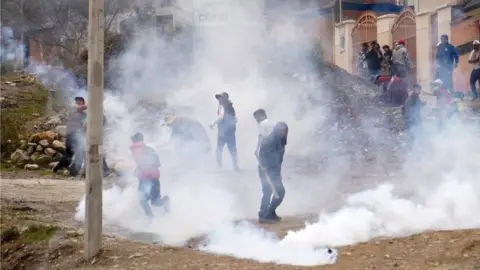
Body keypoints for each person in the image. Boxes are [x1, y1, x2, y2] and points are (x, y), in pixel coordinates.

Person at [130, 132, 169, 218]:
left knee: (143, 201)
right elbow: (157, 163)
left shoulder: (137, 149)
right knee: (154, 201)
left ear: (135, 141)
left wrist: (141, 170)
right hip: (153, 177)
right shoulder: (148, 149)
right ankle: (165, 202)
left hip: (146, 178)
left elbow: (143, 163)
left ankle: (151, 219)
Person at [257, 122, 288, 223]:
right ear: (276, 130)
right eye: (280, 131)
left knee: (278, 192)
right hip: (266, 170)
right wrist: (264, 166)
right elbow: (261, 153)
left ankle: (270, 213)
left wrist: (278, 174)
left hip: (274, 171)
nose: (282, 133)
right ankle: (264, 215)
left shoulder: (281, 142)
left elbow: (278, 160)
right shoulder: (270, 139)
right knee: (268, 192)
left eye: (284, 131)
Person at [53, 97, 87, 176]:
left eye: (80, 102)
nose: (77, 104)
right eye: (77, 102)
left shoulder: (84, 115)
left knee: (75, 153)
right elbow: (83, 107)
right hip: (72, 134)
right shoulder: (73, 109)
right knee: (72, 153)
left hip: (78, 135)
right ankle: (64, 167)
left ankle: (65, 168)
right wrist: (95, 102)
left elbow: (85, 126)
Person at [209, 92, 239, 171]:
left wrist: (212, 124)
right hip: (230, 132)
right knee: (232, 149)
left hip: (223, 132)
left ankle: (220, 167)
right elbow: (235, 119)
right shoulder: (231, 107)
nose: (219, 100)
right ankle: (235, 166)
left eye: (220, 98)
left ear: (224, 99)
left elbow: (221, 117)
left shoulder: (223, 106)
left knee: (219, 149)